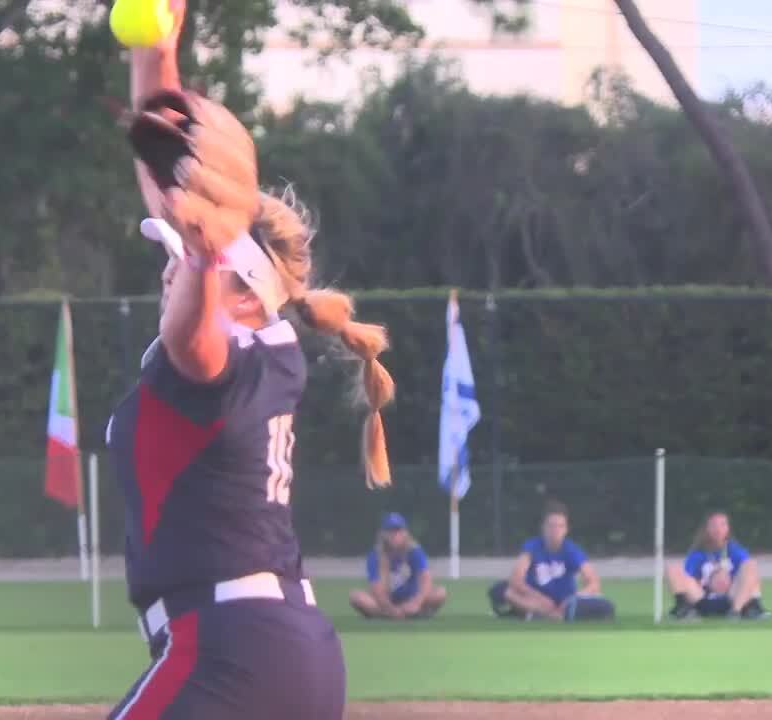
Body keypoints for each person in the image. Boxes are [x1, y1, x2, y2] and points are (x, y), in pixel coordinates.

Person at [105, 3, 396, 716]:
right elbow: (171, 168)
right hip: (285, 650)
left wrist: (203, 255)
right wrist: (158, 49)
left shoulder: (220, 353)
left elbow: (190, 345)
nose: (172, 264)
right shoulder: (268, 336)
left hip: (229, 651)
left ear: (240, 295)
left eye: (198, 260)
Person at [488, 501, 614, 622]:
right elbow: (516, 580)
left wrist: (574, 597)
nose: (555, 530)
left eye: (560, 526)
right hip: (535, 598)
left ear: (566, 529)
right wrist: (539, 597)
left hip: (563, 601)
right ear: (543, 527)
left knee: (602, 602)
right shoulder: (533, 546)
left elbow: (593, 582)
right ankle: (548, 615)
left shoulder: (571, 550)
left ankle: (535, 614)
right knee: (505, 591)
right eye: (551, 526)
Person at [667, 510, 769, 620]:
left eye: (722, 524)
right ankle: (683, 608)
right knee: (673, 567)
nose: (718, 529)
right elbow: (689, 578)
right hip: (704, 599)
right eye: (713, 525)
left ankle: (742, 611)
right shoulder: (697, 554)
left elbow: (749, 576)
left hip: (732, 597)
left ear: (728, 528)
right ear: (706, 529)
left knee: (751, 565)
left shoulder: (735, 551)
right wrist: (710, 581)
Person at [349, 512, 447, 620]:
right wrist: (390, 608)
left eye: (398, 531)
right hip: (386, 602)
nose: (395, 535)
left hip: (412, 598)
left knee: (440, 593)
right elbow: (376, 588)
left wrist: (416, 602)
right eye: (391, 531)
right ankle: (391, 614)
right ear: (383, 534)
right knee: (356, 597)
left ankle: (412, 612)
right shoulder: (375, 555)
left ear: (405, 533)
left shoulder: (414, 551)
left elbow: (426, 579)